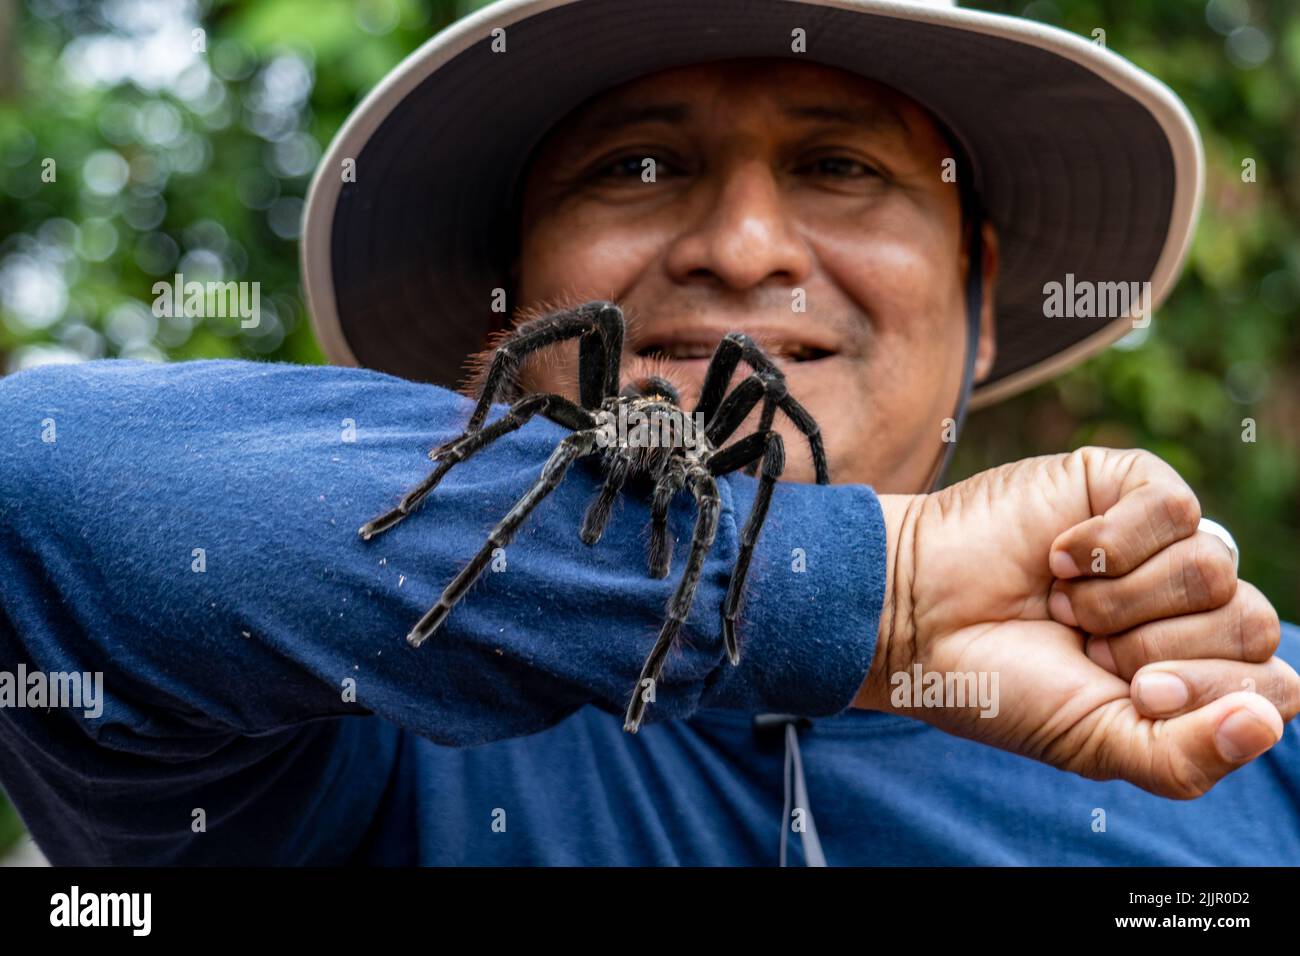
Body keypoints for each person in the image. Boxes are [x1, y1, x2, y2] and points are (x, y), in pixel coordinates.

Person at [0, 0, 1296, 865]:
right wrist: (874, 586)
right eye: (634, 167)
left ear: (985, 298)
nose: (741, 248)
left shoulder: (1247, 719)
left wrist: (827, 554)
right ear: (520, 286)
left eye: (841, 166)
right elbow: (34, 475)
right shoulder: (345, 732)